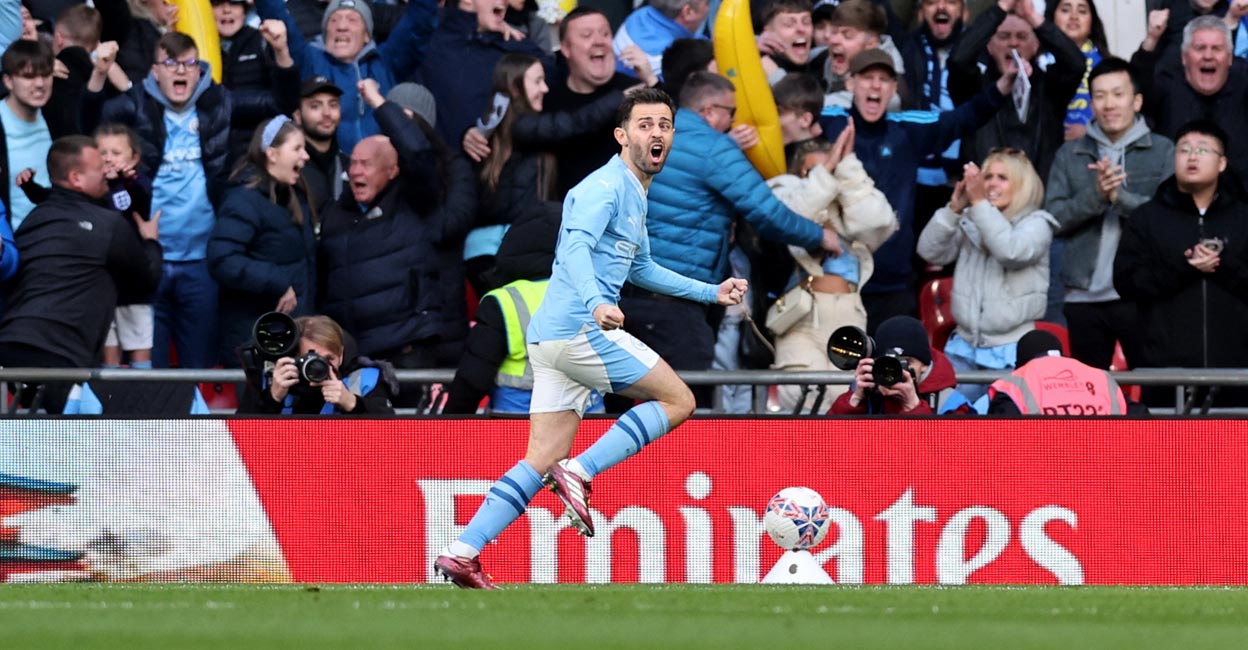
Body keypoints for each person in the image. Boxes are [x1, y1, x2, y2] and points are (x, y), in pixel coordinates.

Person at [433, 88, 749, 589]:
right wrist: (597, 301)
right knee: (679, 399)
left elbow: (641, 267)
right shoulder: (604, 188)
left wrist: (711, 292)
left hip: (555, 339)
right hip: (581, 329)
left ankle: (462, 551)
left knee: (541, 458)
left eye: (664, 125)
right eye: (645, 125)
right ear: (622, 136)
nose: (657, 133)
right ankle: (581, 471)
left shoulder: (634, 190)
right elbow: (576, 249)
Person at [83, 28, 300, 369]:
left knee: (197, 367)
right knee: (148, 371)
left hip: (202, 259)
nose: (180, 70)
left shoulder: (220, 102)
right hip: (149, 258)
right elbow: (88, 123)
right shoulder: (137, 104)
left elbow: (280, 105)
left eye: (188, 63)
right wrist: (98, 72)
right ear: (155, 71)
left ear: (200, 69)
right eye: (170, 63)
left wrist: (282, 52)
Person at [637, 71, 836, 407]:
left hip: (633, 292)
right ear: (711, 111)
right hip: (681, 297)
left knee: (637, 399)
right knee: (687, 403)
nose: (732, 122)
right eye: (730, 113)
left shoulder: (648, 136)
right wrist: (819, 236)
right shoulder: (715, 148)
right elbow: (767, 213)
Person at [818, 48, 1016, 332]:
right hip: (836, 279)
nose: (875, 85)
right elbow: (786, 118)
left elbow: (963, 118)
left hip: (894, 284)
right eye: (867, 77)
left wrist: (1003, 86)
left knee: (893, 370)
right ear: (850, 83)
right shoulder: (827, 120)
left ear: (894, 89)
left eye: (884, 79)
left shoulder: (906, 129)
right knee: (839, 373)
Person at [0, 136, 162, 414]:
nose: (106, 172)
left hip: (9, 351)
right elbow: (147, 280)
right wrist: (150, 242)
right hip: (58, 360)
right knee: (70, 450)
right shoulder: (109, 225)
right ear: (76, 177)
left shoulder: (31, 220)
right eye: (98, 166)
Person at [1046, 57, 1174, 370]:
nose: (1108, 104)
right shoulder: (1070, 153)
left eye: (1118, 94)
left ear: (1137, 101)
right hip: (1082, 295)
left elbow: (1168, 221)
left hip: (1141, 293)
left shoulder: (1164, 150)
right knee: (1090, 397)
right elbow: (1053, 219)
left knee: (1155, 391)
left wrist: (1119, 198)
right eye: (1099, 96)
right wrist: (1096, 196)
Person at [1114, 119, 1248, 409]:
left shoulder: (1243, 217)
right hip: (1165, 370)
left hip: (1238, 370)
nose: (1191, 156)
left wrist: (1222, 266)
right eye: (1184, 149)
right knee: (1169, 452)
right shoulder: (1147, 217)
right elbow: (1126, 282)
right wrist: (1184, 267)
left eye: (1202, 150)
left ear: (1222, 163)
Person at [317, 79, 442, 383]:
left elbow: (418, 153)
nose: (356, 171)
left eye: (367, 164)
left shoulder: (413, 201)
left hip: (405, 349)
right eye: (354, 164)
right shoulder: (336, 212)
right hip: (352, 354)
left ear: (392, 170)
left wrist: (378, 103)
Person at [769, 129, 897, 412]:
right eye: (815, 170)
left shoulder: (850, 202)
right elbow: (788, 218)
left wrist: (848, 169)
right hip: (802, 314)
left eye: (832, 168)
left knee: (846, 398)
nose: (826, 175)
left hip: (849, 311)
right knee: (801, 396)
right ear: (801, 173)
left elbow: (879, 222)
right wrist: (826, 173)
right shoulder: (785, 187)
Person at [916, 149, 1058, 403]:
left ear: (1022, 185)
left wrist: (979, 203)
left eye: (1002, 177)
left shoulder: (1038, 224)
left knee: (1002, 430)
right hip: (963, 346)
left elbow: (1010, 251)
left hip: (1011, 349)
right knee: (949, 421)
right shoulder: (974, 217)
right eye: (988, 176)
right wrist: (954, 209)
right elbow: (930, 252)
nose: (991, 183)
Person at [254, 0, 437, 153]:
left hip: (384, 177)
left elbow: (418, 22)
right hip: (330, 177)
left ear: (367, 35)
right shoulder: (310, 60)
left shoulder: (386, 61)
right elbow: (276, 18)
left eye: (352, 20)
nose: (341, 27)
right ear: (325, 35)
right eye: (333, 21)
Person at [208, 116, 317, 368]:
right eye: (297, 148)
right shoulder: (244, 199)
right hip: (255, 339)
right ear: (272, 154)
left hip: (288, 334)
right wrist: (277, 281)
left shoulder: (292, 195)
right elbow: (222, 259)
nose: (306, 156)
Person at [946, 0, 1084, 182]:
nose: (1013, 43)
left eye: (1021, 36)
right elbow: (958, 60)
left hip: (1039, 201)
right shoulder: (974, 90)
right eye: (1003, 36)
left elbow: (1076, 63)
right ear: (989, 46)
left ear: (1035, 46)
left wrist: (1033, 18)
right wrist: (1000, 9)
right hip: (986, 200)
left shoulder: (1051, 88)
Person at [1134, 15, 1248, 194]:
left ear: (1230, 58)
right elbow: (1137, 87)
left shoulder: (1243, 81)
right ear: (1184, 57)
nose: (1208, 56)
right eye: (1200, 48)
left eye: (1216, 48)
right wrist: (1151, 39)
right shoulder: (1166, 85)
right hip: (1177, 203)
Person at [416, 0, 550, 150]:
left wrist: (514, 40)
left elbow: (554, 75)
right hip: (437, 163)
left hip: (496, 166)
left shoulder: (511, 45)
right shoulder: (429, 37)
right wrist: (463, 134)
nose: (505, 1)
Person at [239, 314, 397, 414]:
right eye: (311, 359)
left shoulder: (364, 380)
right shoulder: (272, 379)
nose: (320, 367)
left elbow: (391, 440)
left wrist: (352, 404)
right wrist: (271, 399)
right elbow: (237, 442)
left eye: (329, 359)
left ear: (341, 355)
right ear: (293, 356)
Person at [986, 328, 1140, 415]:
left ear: (1019, 363)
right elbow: (1141, 420)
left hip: (1041, 465)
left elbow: (1002, 441)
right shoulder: (1101, 378)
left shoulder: (1015, 383)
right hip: (1105, 463)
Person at [828, 315, 957, 414]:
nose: (894, 370)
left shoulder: (948, 401)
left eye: (905, 362)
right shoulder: (867, 390)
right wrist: (854, 399)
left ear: (924, 365)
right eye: (887, 362)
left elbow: (949, 447)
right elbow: (827, 440)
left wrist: (913, 406)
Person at [1, 38, 55, 229]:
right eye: (29, 76)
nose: (40, 83)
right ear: (8, 81)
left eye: (46, 74)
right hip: (12, 243)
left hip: (57, 232)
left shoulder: (57, 117)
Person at [1044, 0, 1110, 142]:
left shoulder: (1106, 64)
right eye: (1066, 10)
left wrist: (1091, 129)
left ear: (1092, 22)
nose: (1074, 16)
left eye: (1082, 11)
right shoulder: (1038, 61)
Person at [612, 0, 709, 80]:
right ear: (688, 12)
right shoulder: (676, 58)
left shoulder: (638, 16)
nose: (708, 9)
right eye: (707, 3)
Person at [293, 75, 347, 214]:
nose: (327, 113)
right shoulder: (289, 167)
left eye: (333, 105)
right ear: (298, 116)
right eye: (315, 106)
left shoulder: (349, 166)